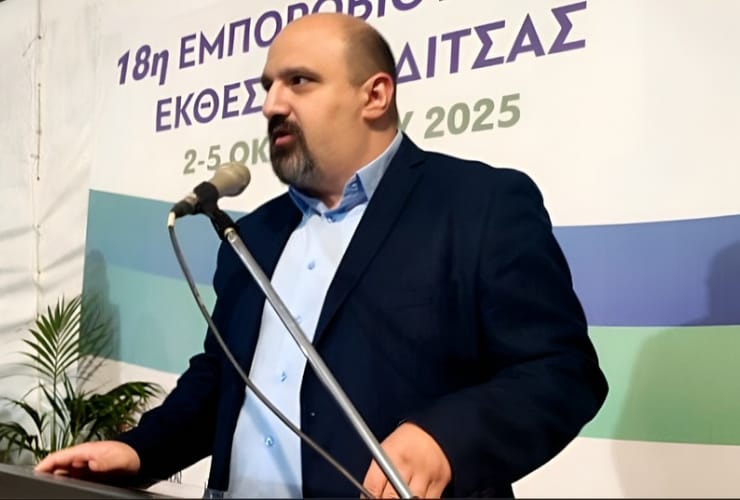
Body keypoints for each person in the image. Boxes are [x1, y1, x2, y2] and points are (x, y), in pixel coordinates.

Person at [36, 12, 608, 498]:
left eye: (299, 81)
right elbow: (223, 377)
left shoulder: (478, 204)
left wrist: (445, 439)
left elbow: (560, 373)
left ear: (375, 95)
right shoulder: (252, 234)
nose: (271, 105)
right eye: (267, 86)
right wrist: (140, 450)